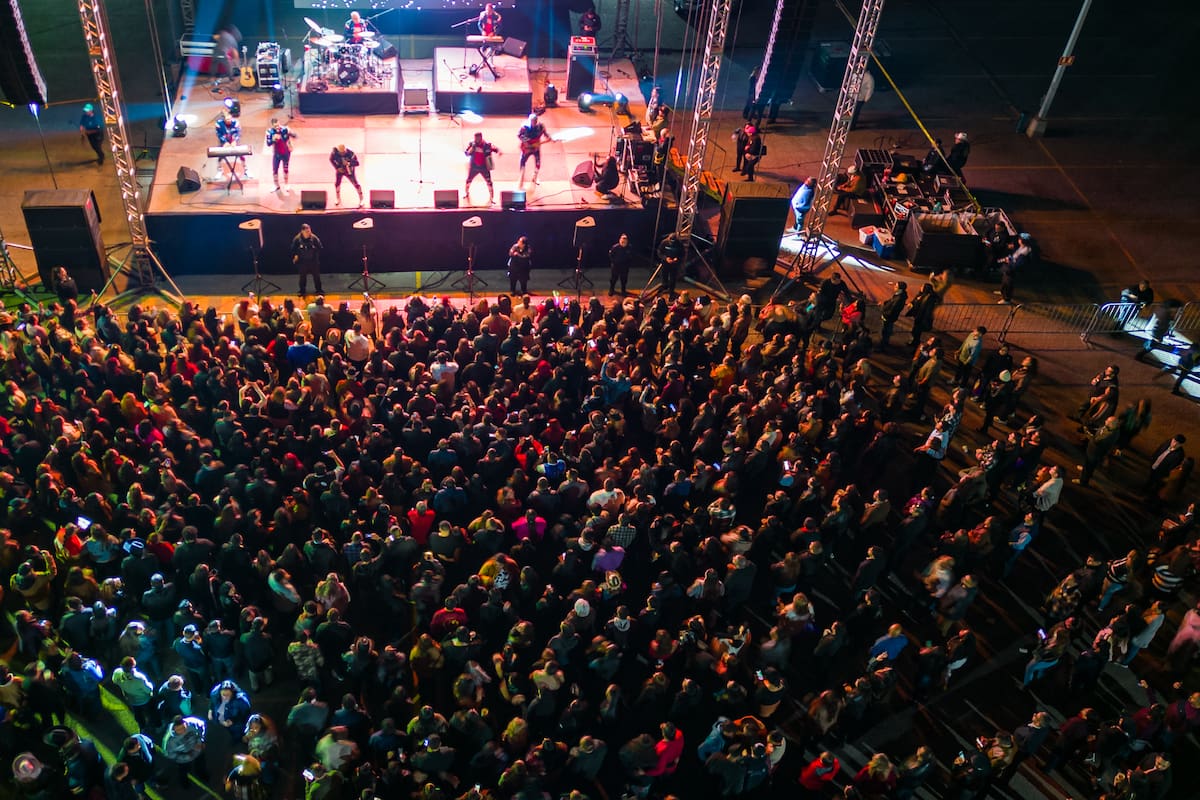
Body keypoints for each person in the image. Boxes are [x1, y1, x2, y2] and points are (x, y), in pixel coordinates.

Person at [464, 132, 500, 205]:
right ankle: (466, 193)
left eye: (478, 138)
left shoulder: (487, 145)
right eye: (475, 138)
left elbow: (496, 149)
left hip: (484, 167)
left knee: (489, 182)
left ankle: (491, 198)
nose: (476, 140)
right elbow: (466, 153)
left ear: (481, 138)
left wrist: (498, 152)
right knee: (468, 181)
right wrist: (471, 149)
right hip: (474, 167)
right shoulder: (471, 144)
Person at [517, 113, 551, 189]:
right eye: (532, 121)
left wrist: (549, 137)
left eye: (535, 121)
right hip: (526, 148)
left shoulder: (541, 127)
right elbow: (519, 135)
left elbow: (545, 134)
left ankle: (534, 177)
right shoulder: (524, 127)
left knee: (538, 163)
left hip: (536, 148)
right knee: (522, 163)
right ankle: (521, 179)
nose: (534, 122)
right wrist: (526, 142)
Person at [291, 223, 323, 297]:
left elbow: (320, 247)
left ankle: (319, 290)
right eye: (307, 232)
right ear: (302, 231)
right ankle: (302, 290)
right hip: (302, 262)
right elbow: (293, 248)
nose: (308, 233)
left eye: (309, 231)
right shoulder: (297, 239)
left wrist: (314, 250)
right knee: (302, 277)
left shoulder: (314, 238)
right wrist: (296, 255)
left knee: (316, 276)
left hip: (313, 261)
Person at [265, 118, 296, 191]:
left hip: (286, 153)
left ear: (279, 123)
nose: (277, 127)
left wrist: (291, 134)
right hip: (276, 154)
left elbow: (294, 136)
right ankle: (276, 185)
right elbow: (268, 143)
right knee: (275, 169)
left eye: (278, 125)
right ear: (272, 126)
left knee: (285, 169)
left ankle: (286, 184)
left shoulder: (285, 129)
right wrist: (273, 139)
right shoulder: (270, 132)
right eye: (275, 126)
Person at [657, 233, 683, 297]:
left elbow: (682, 254)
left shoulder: (679, 244)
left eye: (673, 241)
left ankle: (671, 292)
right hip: (665, 263)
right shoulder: (664, 242)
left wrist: (677, 258)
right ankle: (664, 289)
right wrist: (665, 258)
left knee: (673, 279)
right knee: (664, 277)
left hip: (674, 264)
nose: (672, 243)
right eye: (671, 241)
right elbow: (659, 252)